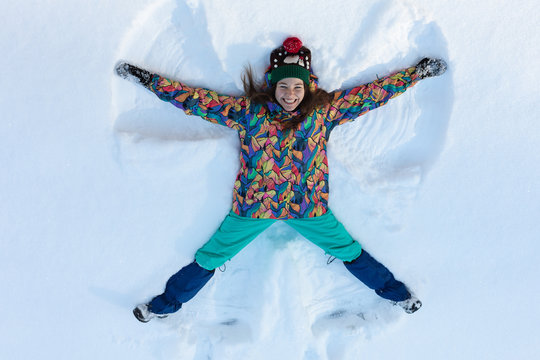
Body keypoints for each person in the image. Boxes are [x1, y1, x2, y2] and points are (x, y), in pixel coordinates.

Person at [115, 37, 447, 323]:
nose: (290, 94)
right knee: (210, 257)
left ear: (308, 87)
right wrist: (147, 79)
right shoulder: (248, 112)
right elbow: (194, 100)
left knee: (350, 252)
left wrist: (416, 74)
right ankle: (164, 307)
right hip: (254, 208)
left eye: (297, 87)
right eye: (284, 86)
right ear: (273, 86)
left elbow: (372, 95)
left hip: (309, 209)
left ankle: (399, 296)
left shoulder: (322, 113)